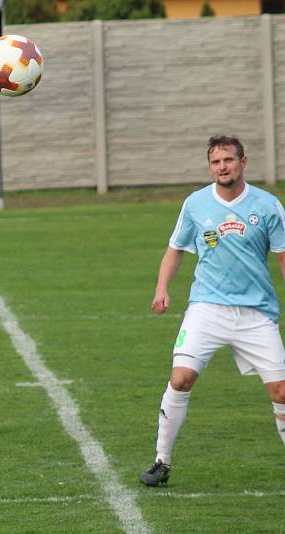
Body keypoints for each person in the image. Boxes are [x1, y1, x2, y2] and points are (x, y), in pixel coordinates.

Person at [140, 135, 285, 487]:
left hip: (256, 313)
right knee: (181, 378)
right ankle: (162, 461)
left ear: (243, 162)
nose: (223, 167)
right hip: (207, 307)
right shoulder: (196, 204)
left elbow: (282, 256)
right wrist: (162, 289)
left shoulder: (268, 206)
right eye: (216, 162)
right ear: (211, 166)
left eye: (229, 161)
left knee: (281, 391)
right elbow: (175, 249)